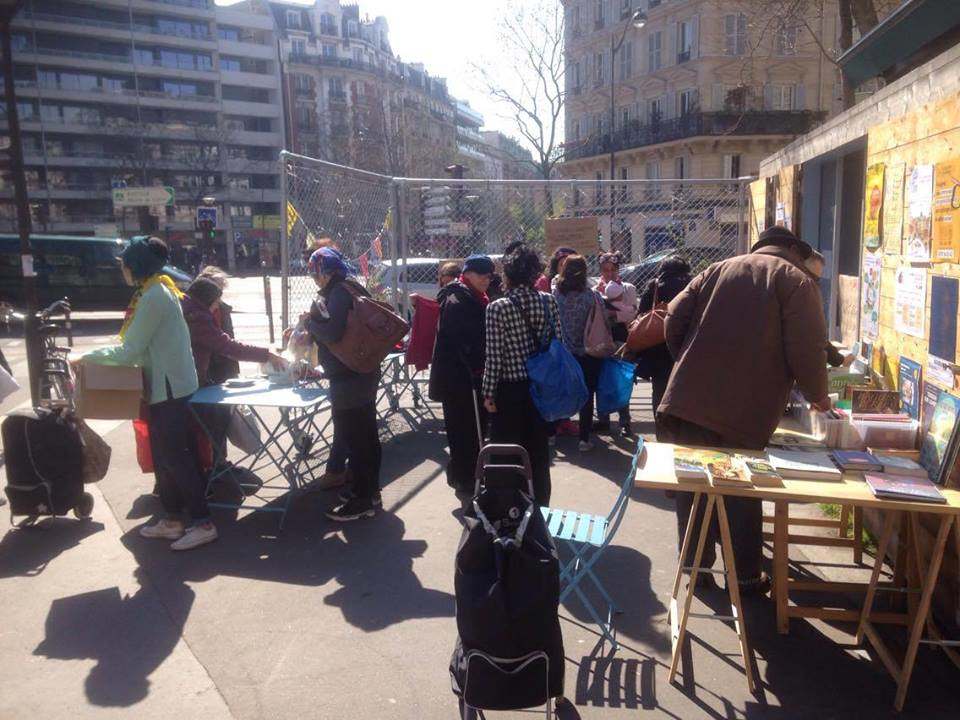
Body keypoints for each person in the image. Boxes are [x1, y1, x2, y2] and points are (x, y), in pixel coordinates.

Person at [659, 226, 830, 595]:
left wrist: (686, 362)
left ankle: (695, 566)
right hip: (746, 407)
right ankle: (746, 576)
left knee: (693, 484)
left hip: (688, 397)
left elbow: (672, 318)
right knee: (739, 488)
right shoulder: (795, 280)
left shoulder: (717, 268)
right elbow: (807, 345)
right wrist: (819, 394)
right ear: (791, 250)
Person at [77, 237, 217, 550]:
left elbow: (130, 350)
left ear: (136, 265)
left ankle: (202, 522)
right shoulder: (157, 289)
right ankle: (173, 519)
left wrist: (86, 356)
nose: (122, 270)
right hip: (170, 385)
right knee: (171, 457)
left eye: (125, 264)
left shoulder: (154, 295)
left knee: (175, 458)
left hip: (168, 388)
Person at [305, 247, 382, 521]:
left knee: (356, 438)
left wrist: (310, 324)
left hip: (349, 376)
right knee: (367, 434)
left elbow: (333, 332)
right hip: (363, 369)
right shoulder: (352, 287)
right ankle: (370, 492)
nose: (315, 279)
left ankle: (362, 501)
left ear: (324, 271)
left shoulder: (338, 293)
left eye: (315, 273)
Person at [482, 243, 562, 505]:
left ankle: (509, 508)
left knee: (506, 453)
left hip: (510, 389)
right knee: (538, 452)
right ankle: (540, 508)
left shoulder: (498, 308)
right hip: (540, 388)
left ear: (508, 275)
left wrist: (488, 393)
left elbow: (495, 356)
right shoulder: (549, 301)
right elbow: (558, 343)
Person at [180, 276, 287, 462]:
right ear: (206, 299)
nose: (216, 308)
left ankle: (215, 468)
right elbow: (228, 347)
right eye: (215, 304)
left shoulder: (184, 306)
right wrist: (266, 355)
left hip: (182, 380)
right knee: (216, 420)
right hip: (190, 382)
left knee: (204, 426)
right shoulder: (198, 317)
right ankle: (217, 469)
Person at [429, 254, 494, 505]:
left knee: (467, 429)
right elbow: (463, 342)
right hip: (459, 378)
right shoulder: (458, 299)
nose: (486, 281)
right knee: (463, 430)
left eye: (489, 276)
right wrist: (477, 366)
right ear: (467, 275)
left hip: (465, 375)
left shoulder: (472, 296)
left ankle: (466, 474)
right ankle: (465, 477)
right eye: (481, 276)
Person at [553, 254, 605, 452]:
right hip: (587, 352)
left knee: (559, 391)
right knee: (587, 394)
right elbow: (603, 322)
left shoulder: (556, 295)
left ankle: (551, 433)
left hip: (563, 352)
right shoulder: (593, 296)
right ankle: (584, 438)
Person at [634, 256, 693, 427]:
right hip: (686, 344)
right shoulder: (694, 284)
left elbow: (642, 312)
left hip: (658, 346)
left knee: (659, 389)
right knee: (683, 388)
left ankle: (661, 425)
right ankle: (681, 425)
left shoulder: (655, 286)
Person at [595, 252, 638, 438]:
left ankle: (624, 421)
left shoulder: (628, 288)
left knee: (621, 380)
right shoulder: (596, 289)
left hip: (621, 339)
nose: (609, 273)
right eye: (605, 270)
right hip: (600, 339)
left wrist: (614, 314)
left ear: (618, 270)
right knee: (601, 380)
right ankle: (603, 419)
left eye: (613, 270)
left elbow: (632, 314)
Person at [804, 251, 856, 368]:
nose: (815, 283)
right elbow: (813, 334)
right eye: (813, 277)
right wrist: (839, 359)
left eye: (818, 279)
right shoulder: (799, 292)